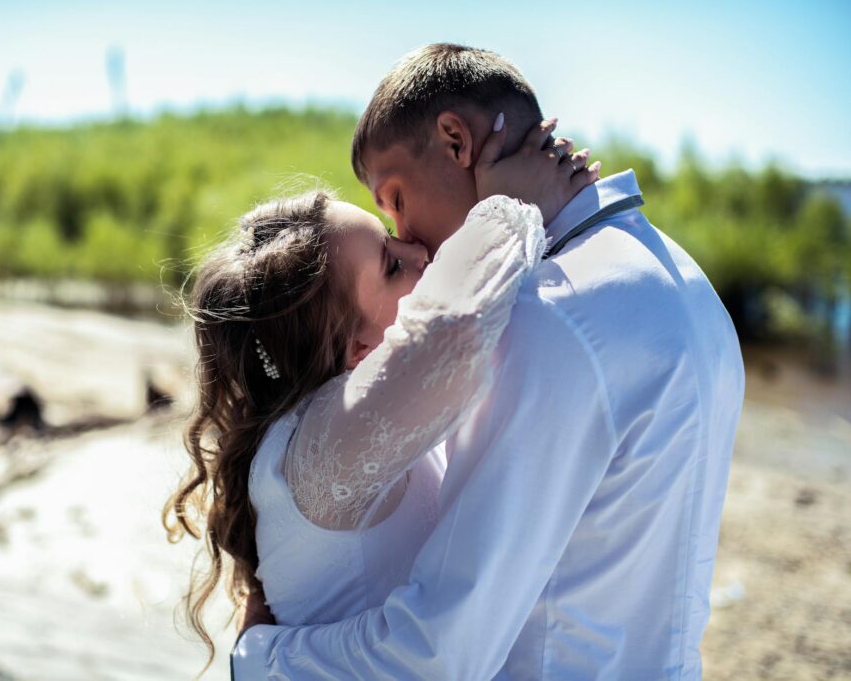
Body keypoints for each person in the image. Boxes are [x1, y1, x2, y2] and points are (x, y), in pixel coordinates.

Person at [230, 43, 745, 679]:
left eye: (395, 200)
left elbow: (440, 651)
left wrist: (258, 658)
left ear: (455, 141)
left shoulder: (544, 318)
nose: (409, 239)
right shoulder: (685, 279)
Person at [163, 90, 597, 675]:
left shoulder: (327, 430)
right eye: (392, 265)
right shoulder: (319, 448)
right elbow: (454, 333)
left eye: (391, 236)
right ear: (357, 349)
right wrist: (511, 205)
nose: (418, 252)